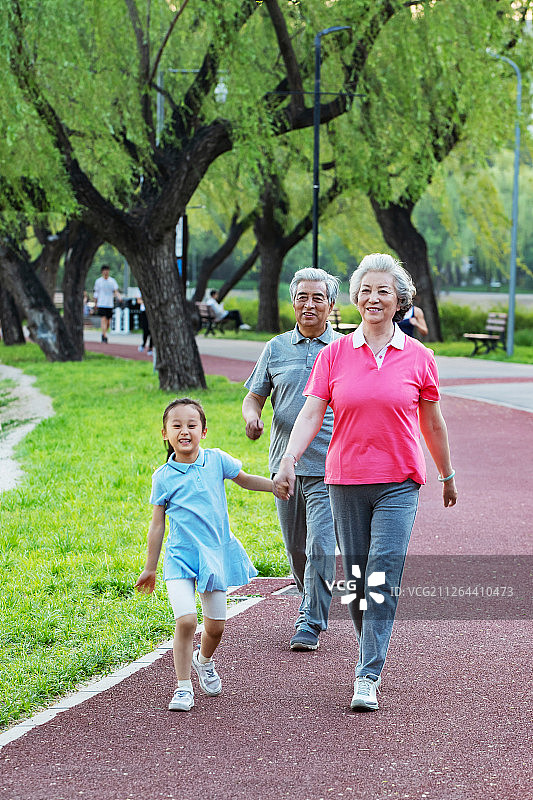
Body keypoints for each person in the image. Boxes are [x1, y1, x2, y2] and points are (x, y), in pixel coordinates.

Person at [274, 253, 457, 711]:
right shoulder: (334, 354)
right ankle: (368, 649)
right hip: (345, 480)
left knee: (383, 570)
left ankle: (367, 674)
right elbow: (311, 412)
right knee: (357, 580)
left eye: (384, 291)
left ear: (399, 302)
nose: (374, 298)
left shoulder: (420, 357)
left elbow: (433, 424)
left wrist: (447, 475)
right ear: (355, 299)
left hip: (399, 480)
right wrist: (290, 458)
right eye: (366, 290)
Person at [135, 397, 277, 712]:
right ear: (164, 434)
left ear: (204, 430)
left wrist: (274, 486)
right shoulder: (163, 476)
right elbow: (157, 526)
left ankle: (204, 660)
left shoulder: (216, 460)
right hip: (179, 559)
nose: (184, 431)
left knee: (215, 628)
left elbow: (245, 480)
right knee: (186, 621)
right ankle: (183, 687)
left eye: (191, 425)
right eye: (177, 426)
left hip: (214, 557)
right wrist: (150, 567)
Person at [242, 267, 342, 652]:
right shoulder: (276, 347)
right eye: (303, 297)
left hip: (327, 465)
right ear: (293, 301)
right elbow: (255, 395)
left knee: (320, 544)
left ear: (331, 305)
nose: (310, 304)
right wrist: (252, 417)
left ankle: (311, 620)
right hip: (283, 467)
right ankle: (309, 597)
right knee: (296, 548)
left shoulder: (344, 349)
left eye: (318, 298)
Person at [93, 265, 121, 343]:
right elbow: (96, 293)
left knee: (108, 322)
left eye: (107, 270)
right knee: (103, 319)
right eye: (104, 270)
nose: (106, 272)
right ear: (102, 272)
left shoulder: (112, 281)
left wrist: (119, 297)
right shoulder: (98, 281)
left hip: (109, 304)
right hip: (101, 303)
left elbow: (116, 291)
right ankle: (104, 335)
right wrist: (95, 304)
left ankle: (104, 333)